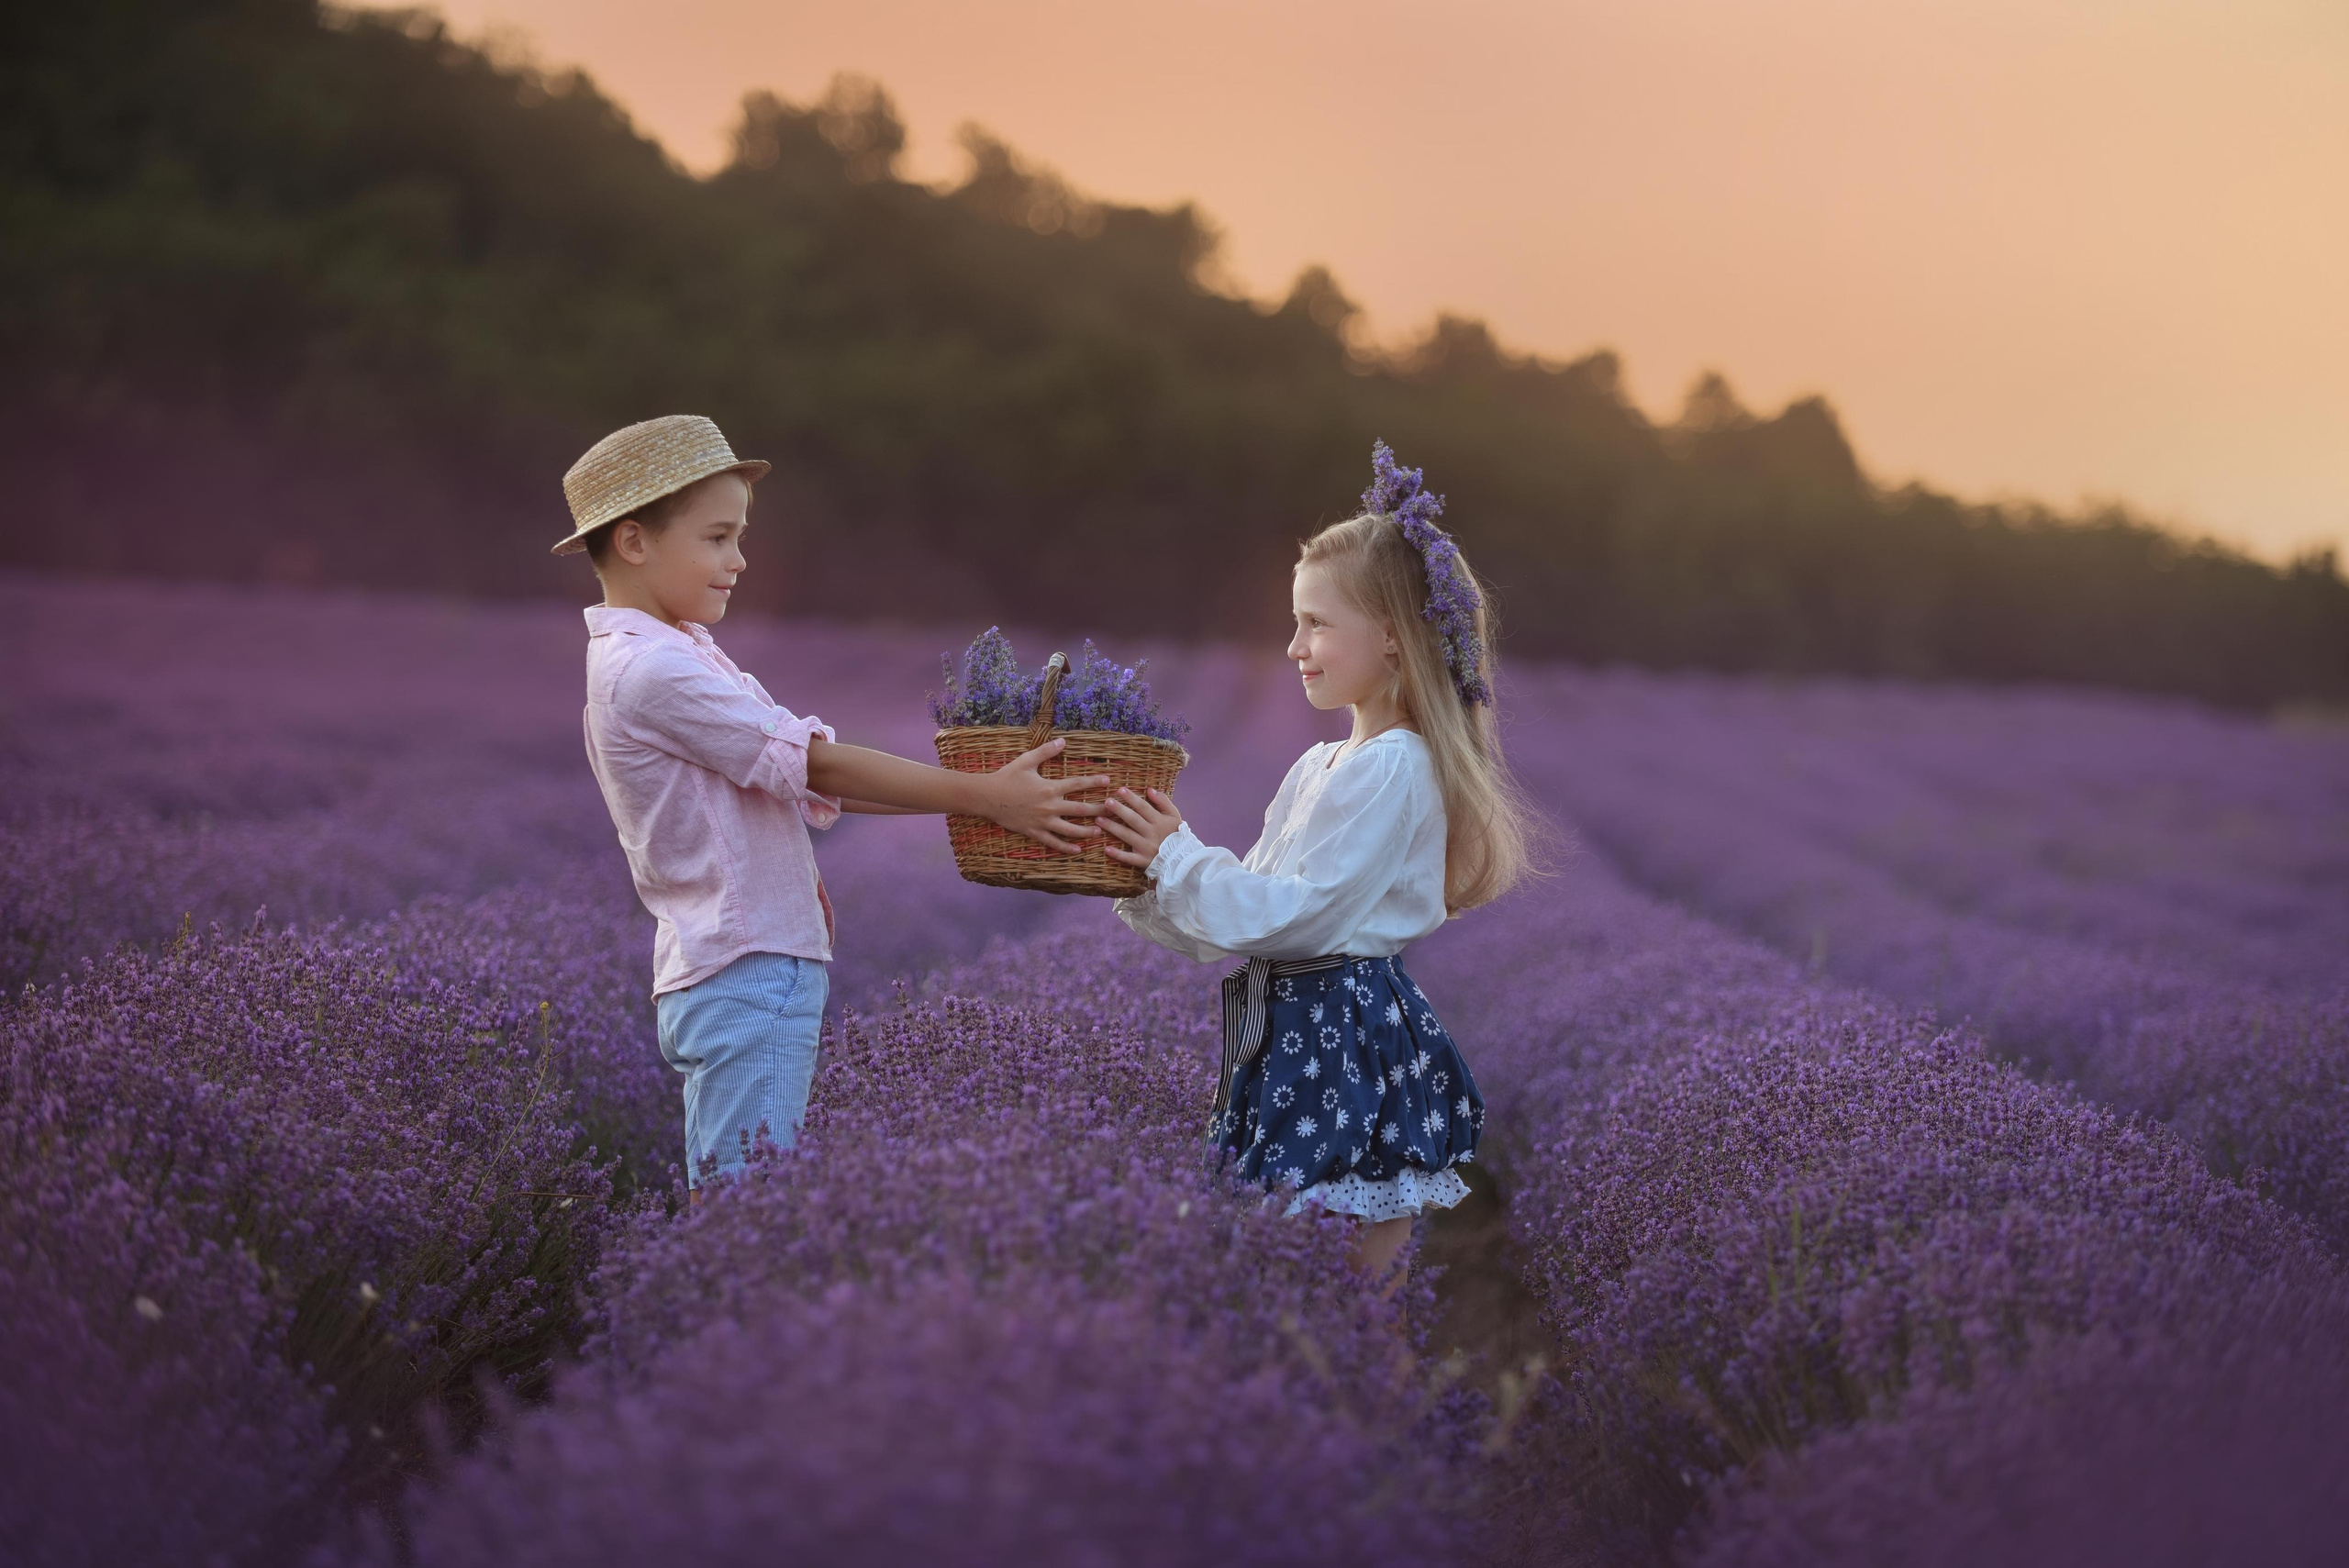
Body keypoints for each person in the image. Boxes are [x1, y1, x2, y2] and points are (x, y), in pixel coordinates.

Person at [557, 415, 1107, 1188]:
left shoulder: (675, 651)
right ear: (635, 541)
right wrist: (986, 794)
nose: (739, 560)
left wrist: (983, 802)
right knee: (749, 1212)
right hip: (746, 971)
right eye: (717, 538)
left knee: (749, 1200)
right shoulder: (651, 670)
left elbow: (798, 776)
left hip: (740, 965)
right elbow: (817, 762)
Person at [1102, 440, 1536, 1280]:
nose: (1295, 645)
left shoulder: (1399, 765)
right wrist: (1145, 870)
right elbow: (1252, 912)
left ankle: (1373, 1412)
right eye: (1294, 622)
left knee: (1349, 1294)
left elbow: (1301, 918)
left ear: (1395, 639)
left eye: (1316, 624)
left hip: (1342, 1040)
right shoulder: (1321, 764)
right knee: (1294, 1286)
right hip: (1286, 1035)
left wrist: (1179, 858)